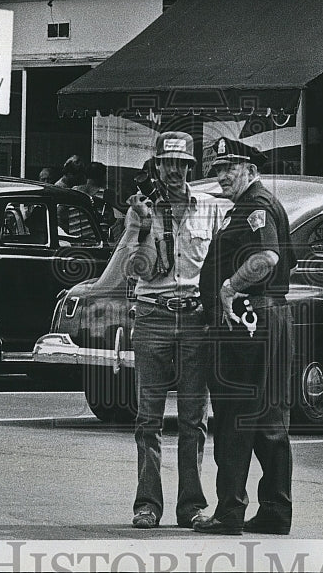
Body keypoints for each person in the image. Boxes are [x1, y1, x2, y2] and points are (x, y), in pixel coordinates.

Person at [122, 132, 228, 530]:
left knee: (193, 420)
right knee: (148, 420)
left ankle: (191, 506)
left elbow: (221, 261)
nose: (173, 171)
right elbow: (139, 271)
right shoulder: (141, 212)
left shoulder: (211, 210)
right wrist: (146, 230)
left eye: (180, 164)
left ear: (189, 168)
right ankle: (147, 504)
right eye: (166, 163)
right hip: (153, 315)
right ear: (155, 166)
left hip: (195, 318)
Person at [194, 138, 297, 536]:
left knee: (236, 416)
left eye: (230, 168)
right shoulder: (258, 204)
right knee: (269, 419)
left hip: (247, 320)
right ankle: (275, 510)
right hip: (268, 319)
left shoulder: (255, 207)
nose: (221, 175)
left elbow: (266, 258)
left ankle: (228, 512)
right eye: (218, 168)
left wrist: (228, 287)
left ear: (251, 171)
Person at [74, 161, 117, 236]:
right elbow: (111, 219)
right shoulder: (106, 193)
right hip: (97, 240)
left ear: (85, 175)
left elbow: (60, 213)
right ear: (102, 176)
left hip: (75, 239)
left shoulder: (73, 191)